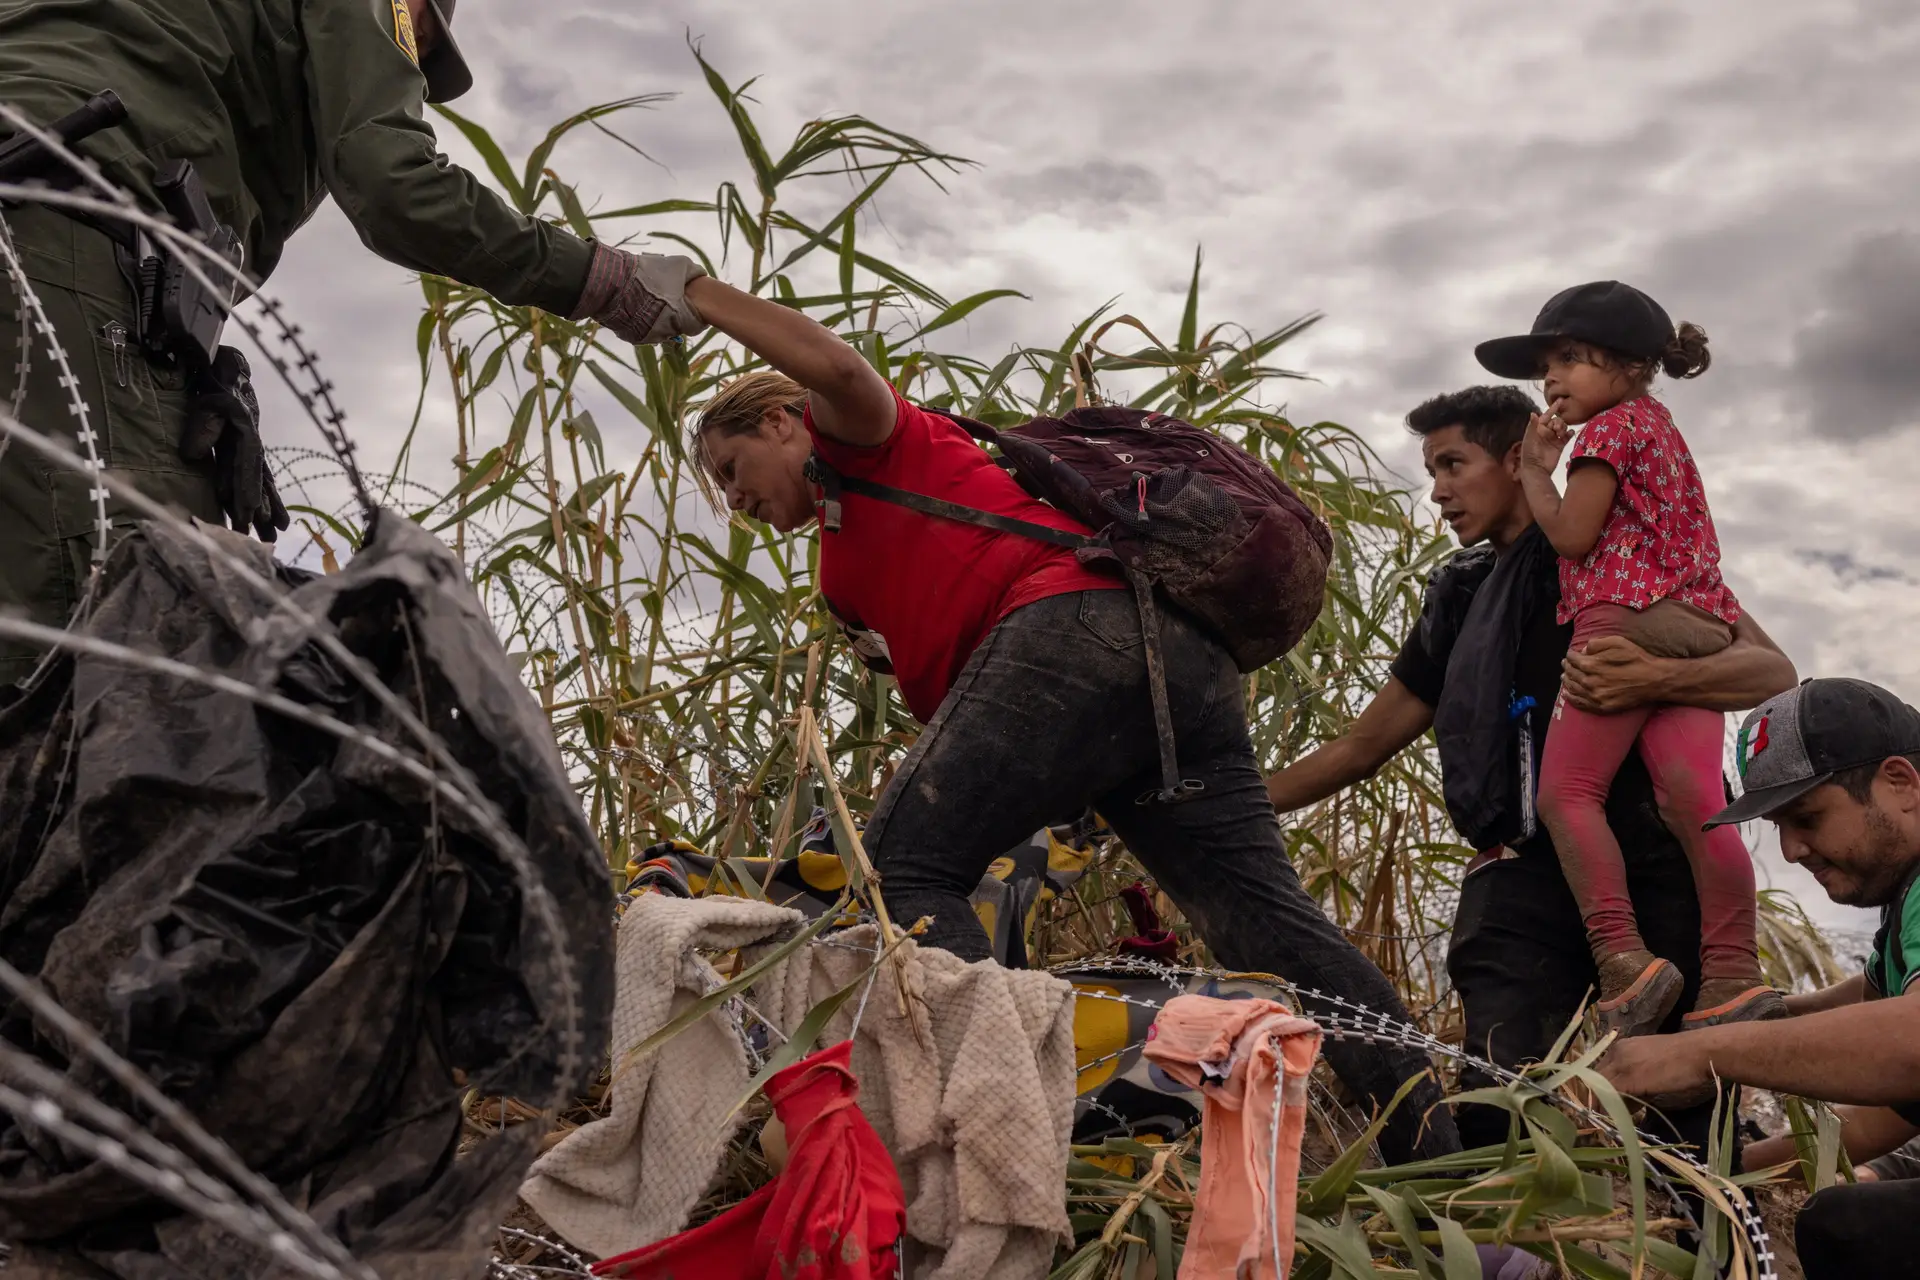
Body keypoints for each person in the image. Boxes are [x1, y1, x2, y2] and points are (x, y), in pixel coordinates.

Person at [675, 266, 1459, 1165]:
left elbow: (843, 373)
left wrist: (696, 296)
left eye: (732, 470)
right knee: (1261, 917)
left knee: (902, 870)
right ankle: (1436, 1151)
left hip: (1074, 631)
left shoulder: (859, 441)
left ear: (781, 423)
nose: (734, 501)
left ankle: (1016, 1135)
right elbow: (956, 701)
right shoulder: (841, 556)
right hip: (1170, 668)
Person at [0, 0, 699, 682]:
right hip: (57, 237)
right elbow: (394, 184)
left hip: (47, 228)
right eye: (418, 44)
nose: (411, 65)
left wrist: (196, 356)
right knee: (105, 650)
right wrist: (607, 282)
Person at [1265, 384, 1795, 1154]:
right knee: (1494, 1102)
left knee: (1685, 1119)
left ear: (1519, 461)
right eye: (1431, 470)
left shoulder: (1633, 560)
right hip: (1519, 880)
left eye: (1453, 464)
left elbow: (1769, 671)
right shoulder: (1462, 594)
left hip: (1655, 872)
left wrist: (1654, 678)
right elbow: (1360, 746)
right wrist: (1224, 806)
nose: (1439, 490)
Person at [1472, 281, 1780, 1038]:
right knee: (1696, 802)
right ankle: (1735, 972)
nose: (1551, 380)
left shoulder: (1609, 432)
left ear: (1630, 364)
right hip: (1698, 621)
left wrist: (1536, 472)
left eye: (1571, 358)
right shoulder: (1664, 429)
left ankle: (1623, 960)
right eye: (1545, 367)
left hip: (1619, 616)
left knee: (1567, 795)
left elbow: (1574, 537)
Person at [1598, 678, 1920, 1278]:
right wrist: (1735, 1162)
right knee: (1844, 1229)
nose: (1792, 850)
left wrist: (1700, 1053)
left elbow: (1911, 1040)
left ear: (1899, 783)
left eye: (1807, 816)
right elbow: (1887, 1077)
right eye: (1777, 825)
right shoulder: (1905, 907)